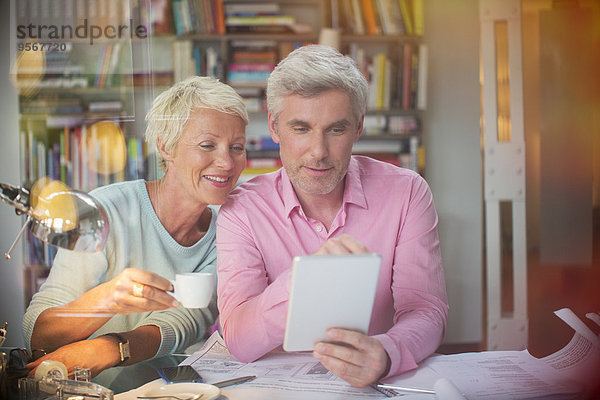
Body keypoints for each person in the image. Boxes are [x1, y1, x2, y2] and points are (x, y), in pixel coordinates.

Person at [216, 45, 449, 388]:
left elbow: (426, 310)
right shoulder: (242, 210)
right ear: (275, 127)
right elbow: (238, 338)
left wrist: (387, 353)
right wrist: (305, 282)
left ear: (357, 128)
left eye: (336, 130)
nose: (318, 152)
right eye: (301, 128)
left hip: (376, 387)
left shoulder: (407, 192)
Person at [22, 76, 249, 377]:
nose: (227, 163)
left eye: (237, 147)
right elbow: (37, 335)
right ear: (166, 147)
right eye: (208, 145)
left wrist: (111, 347)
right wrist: (106, 300)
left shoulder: (230, 231)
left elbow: (186, 323)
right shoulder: (106, 211)